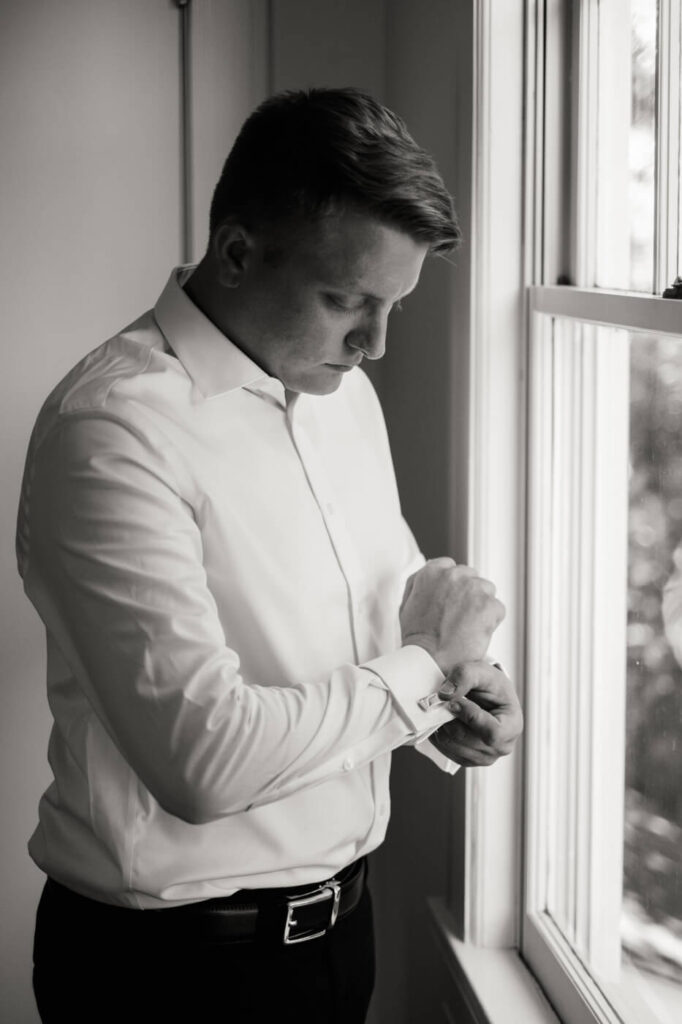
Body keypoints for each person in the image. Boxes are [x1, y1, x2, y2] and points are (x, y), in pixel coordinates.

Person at [17, 87, 522, 1023]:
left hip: (340, 943)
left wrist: (449, 702)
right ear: (240, 252)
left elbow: (389, 616)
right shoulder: (114, 429)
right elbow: (204, 762)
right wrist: (420, 667)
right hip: (171, 980)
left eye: (394, 307)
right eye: (349, 302)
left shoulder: (341, 396)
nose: (374, 345)